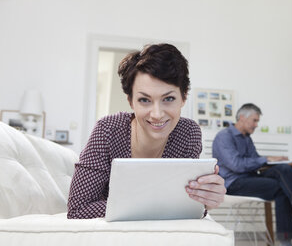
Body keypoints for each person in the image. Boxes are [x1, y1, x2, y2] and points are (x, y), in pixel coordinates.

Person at [67, 43, 226, 219]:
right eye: (144, 100)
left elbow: (186, 207)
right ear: (130, 101)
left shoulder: (188, 133)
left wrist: (205, 199)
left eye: (169, 98)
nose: (157, 114)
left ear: (184, 97)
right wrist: (156, 204)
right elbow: (78, 209)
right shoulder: (108, 130)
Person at [212, 103, 292, 246]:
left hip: (249, 178)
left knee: (284, 169)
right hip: (233, 184)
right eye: (255, 120)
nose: (256, 125)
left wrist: (275, 161)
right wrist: (267, 158)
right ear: (242, 118)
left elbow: (255, 161)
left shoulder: (246, 138)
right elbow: (236, 165)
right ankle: (288, 237)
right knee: (281, 188)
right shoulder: (224, 137)